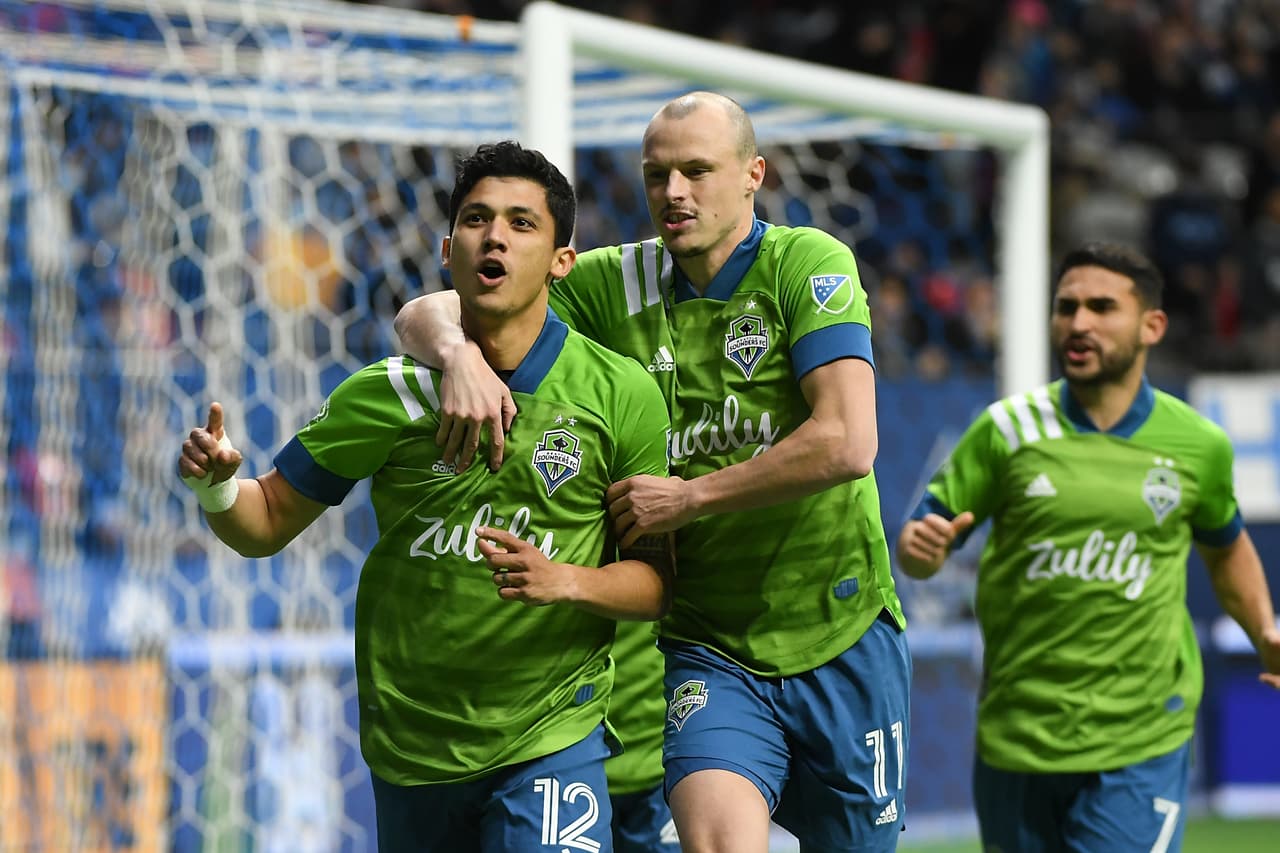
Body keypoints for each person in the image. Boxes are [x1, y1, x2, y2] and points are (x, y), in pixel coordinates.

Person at [395, 91, 910, 853]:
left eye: (697, 171)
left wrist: (691, 497)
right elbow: (428, 310)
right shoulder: (617, 283)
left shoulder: (806, 262)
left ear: (753, 174)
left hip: (842, 629)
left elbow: (846, 441)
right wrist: (459, 356)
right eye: (656, 174)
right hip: (710, 645)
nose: (674, 192)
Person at [179, 141, 675, 853]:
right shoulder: (386, 394)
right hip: (412, 746)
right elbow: (265, 523)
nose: (495, 236)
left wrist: (565, 580)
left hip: (551, 735)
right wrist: (219, 485)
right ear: (448, 250)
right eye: (476, 219)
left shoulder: (620, 394)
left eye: (521, 223)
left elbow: (656, 582)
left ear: (562, 261)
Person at [896, 242, 1280, 852]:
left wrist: (1264, 631)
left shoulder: (1199, 445)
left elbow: (1226, 547)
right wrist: (921, 549)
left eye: (1102, 307)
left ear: (1152, 326)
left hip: (1140, 738)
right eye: (1066, 307)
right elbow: (923, 540)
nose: (1078, 323)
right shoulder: (1006, 430)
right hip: (1018, 736)